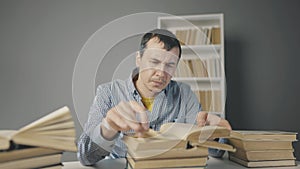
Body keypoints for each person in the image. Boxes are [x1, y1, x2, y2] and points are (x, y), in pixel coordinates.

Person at [77, 29, 231, 166]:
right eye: (154, 62)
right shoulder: (108, 92)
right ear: (139, 59)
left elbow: (215, 152)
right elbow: (85, 157)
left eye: (170, 65)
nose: (161, 72)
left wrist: (214, 133)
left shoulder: (184, 93)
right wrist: (108, 128)